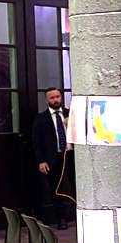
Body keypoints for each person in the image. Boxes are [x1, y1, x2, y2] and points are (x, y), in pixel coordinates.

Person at [31, 87, 72, 229]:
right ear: (47, 100)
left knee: (73, 185)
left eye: (57, 96)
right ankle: (61, 218)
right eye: (52, 98)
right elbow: (36, 142)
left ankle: (77, 214)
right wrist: (41, 161)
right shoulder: (41, 118)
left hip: (71, 156)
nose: (55, 100)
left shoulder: (70, 114)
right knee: (56, 188)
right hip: (53, 158)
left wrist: (71, 125)